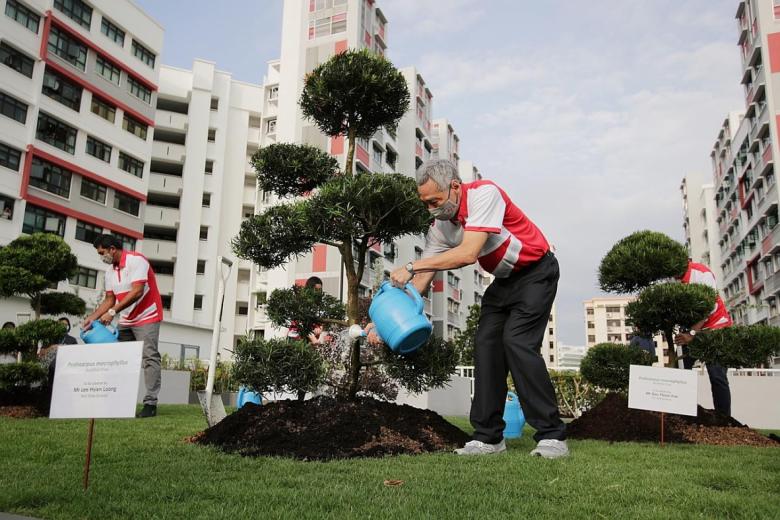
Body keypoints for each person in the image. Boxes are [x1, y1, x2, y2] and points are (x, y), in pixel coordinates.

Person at [370, 159, 567, 458]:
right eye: (425, 204)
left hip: (536, 273)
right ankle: (488, 438)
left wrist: (411, 265)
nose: (431, 209)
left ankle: (552, 436)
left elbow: (468, 253)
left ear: (455, 187)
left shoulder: (484, 194)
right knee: (486, 346)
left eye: (434, 201)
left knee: (517, 342)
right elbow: (422, 280)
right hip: (503, 282)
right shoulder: (440, 228)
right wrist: (387, 319)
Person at [83, 234, 163, 418]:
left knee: (150, 357)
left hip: (147, 315)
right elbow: (109, 299)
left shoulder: (137, 261)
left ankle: (150, 403)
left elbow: (137, 292)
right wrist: (92, 317)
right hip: (126, 319)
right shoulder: (110, 272)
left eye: (102, 252)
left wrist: (112, 313)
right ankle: (119, 401)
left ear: (112, 249)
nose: (101, 257)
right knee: (120, 358)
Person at [673, 259, 733, 416]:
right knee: (680, 370)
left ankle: (723, 418)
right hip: (692, 329)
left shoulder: (701, 274)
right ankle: (682, 414)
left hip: (716, 328)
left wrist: (692, 334)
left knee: (717, 374)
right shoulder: (674, 280)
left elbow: (708, 308)